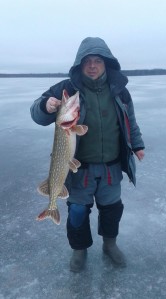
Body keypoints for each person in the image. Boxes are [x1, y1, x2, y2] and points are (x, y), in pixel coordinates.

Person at [30, 37, 145, 272]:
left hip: (111, 167)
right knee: (78, 211)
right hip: (79, 169)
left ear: (106, 64)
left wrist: (138, 144)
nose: (92, 66)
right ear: (79, 65)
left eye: (98, 61)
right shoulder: (68, 89)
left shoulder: (120, 91)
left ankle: (109, 245)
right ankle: (79, 250)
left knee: (112, 210)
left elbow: (130, 121)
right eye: (87, 62)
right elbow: (37, 113)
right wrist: (46, 106)